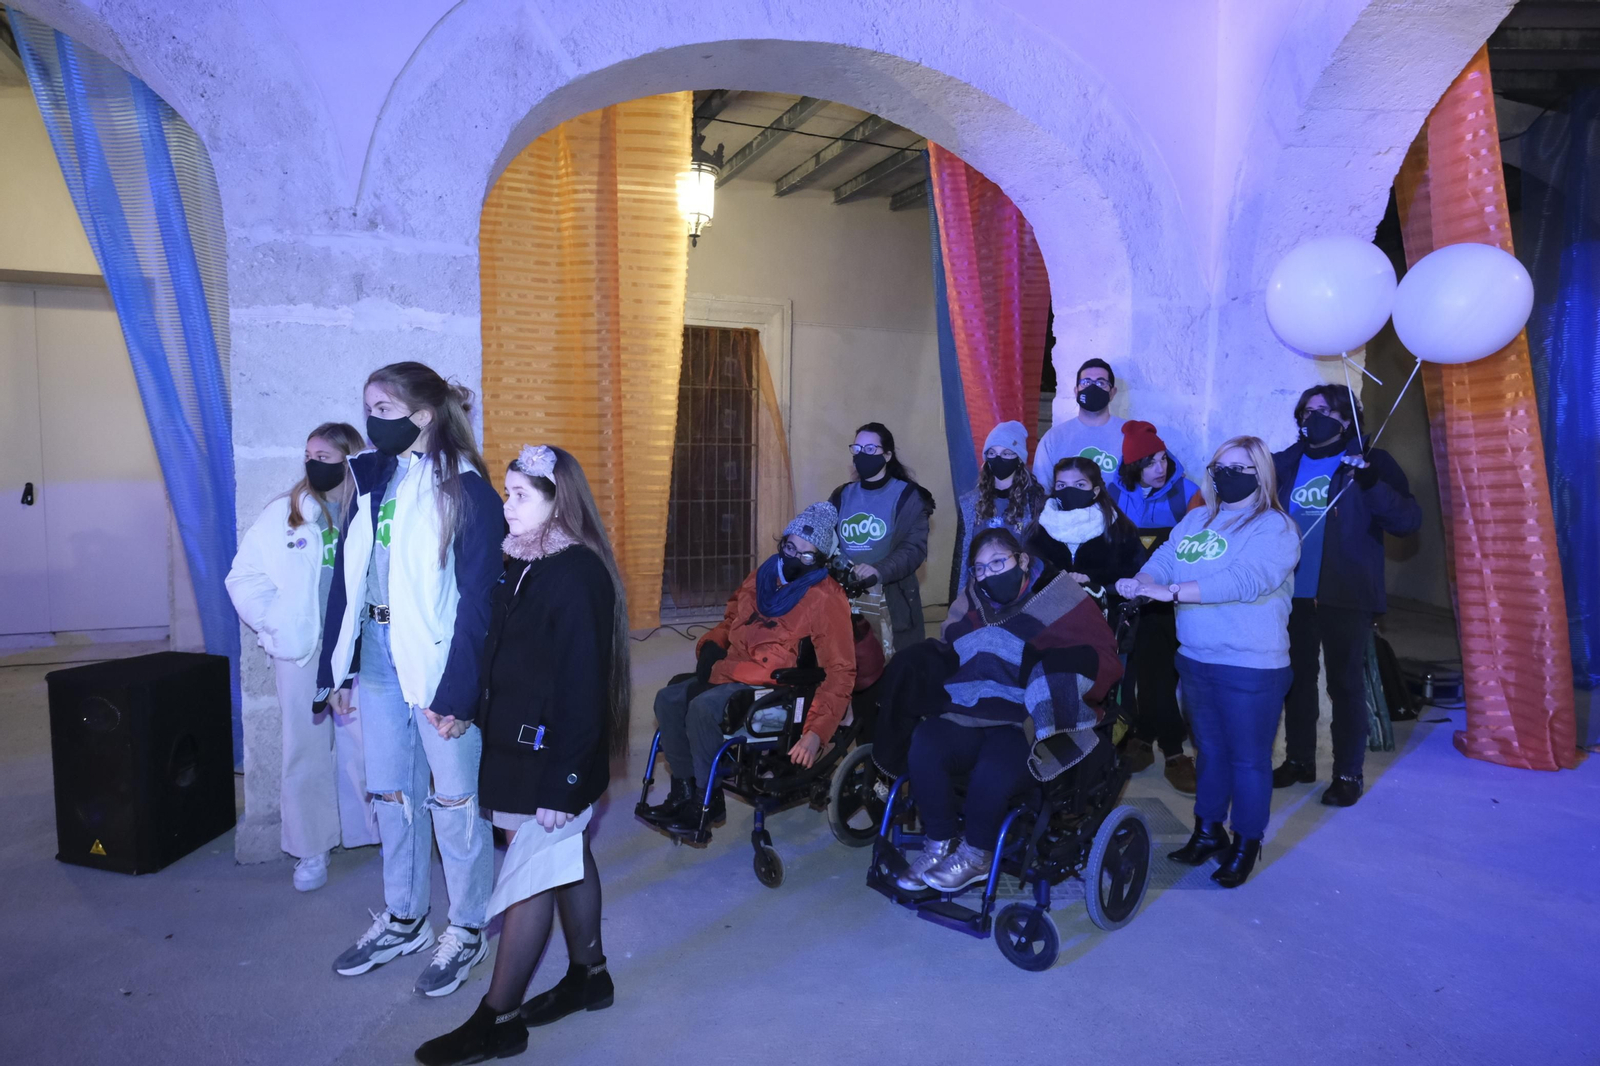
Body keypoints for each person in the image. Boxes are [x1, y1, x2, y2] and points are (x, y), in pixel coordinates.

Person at [415, 445, 630, 1066]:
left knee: (528, 880)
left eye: (520, 497)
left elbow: (585, 688)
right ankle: (590, 976)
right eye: (506, 493)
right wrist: (461, 704)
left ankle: (498, 1018)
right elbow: (498, 649)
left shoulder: (576, 572)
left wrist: (565, 787)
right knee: (567, 858)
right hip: (513, 747)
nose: (506, 507)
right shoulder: (520, 560)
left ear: (558, 500)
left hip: (553, 761)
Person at [317, 361, 504, 997]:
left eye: (384, 410)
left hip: (436, 661)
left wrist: (461, 692)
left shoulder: (468, 489)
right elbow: (346, 579)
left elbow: (481, 600)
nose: (371, 422)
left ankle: (469, 926)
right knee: (391, 793)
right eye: (367, 407)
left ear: (423, 417)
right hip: (373, 650)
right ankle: (404, 917)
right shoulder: (370, 476)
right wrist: (334, 666)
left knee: (453, 801)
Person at [1116, 436, 1299, 889]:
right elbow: (1166, 559)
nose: (1224, 473)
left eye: (1238, 467)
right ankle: (1208, 829)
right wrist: (1143, 580)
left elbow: (1244, 581)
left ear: (1262, 475)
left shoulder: (1274, 528)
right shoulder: (1198, 518)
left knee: (1250, 761)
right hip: (1196, 659)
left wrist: (1171, 593)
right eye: (1219, 465)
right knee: (1210, 753)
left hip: (1251, 666)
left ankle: (1246, 841)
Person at [895, 527, 1122, 892]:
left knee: (994, 768)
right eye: (981, 569)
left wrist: (1031, 661)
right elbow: (954, 641)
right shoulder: (973, 596)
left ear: (1022, 560)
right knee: (926, 742)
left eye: (999, 562)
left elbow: (1101, 656)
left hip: (1025, 713)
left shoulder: (1059, 595)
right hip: (976, 702)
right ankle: (939, 843)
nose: (989, 575)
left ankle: (977, 854)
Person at [226, 421, 378, 892]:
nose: (313, 464)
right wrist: (277, 623)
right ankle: (311, 848)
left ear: (349, 460)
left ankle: (366, 834)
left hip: (358, 648)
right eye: (308, 455)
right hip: (301, 651)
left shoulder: (370, 512)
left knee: (365, 746)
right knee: (305, 751)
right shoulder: (284, 515)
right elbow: (243, 577)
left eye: (326, 457)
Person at [645, 502, 857, 837]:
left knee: (703, 708)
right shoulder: (765, 573)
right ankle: (683, 793)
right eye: (790, 547)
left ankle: (706, 800)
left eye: (807, 554)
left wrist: (816, 732)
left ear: (821, 560)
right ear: (782, 542)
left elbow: (841, 670)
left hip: (775, 686)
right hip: (735, 668)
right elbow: (733, 618)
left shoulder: (826, 597)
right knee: (668, 699)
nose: (794, 557)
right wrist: (712, 644)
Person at [1272, 385, 1420, 807]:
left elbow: (1407, 520)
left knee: (1345, 685)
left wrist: (1372, 484)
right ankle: (1299, 761)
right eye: (1307, 410)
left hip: (1345, 592)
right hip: (1291, 592)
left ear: (1346, 419)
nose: (1313, 416)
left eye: (1325, 410)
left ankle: (1347, 773)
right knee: (1296, 682)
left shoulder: (1371, 463)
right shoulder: (1284, 462)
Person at [1104, 420, 1203, 792]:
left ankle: (1163, 746)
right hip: (1131, 600)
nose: (1160, 467)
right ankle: (1155, 744)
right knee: (1144, 673)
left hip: (1174, 600)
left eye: (1162, 458)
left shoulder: (1189, 495)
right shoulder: (1112, 494)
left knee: (1160, 673)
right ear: (1132, 467)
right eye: (1149, 462)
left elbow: (1197, 551)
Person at [829, 422, 936, 650]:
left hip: (892, 599)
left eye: (870, 449)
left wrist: (878, 569)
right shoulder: (842, 494)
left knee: (894, 674)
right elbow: (827, 542)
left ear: (887, 455)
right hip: (846, 599)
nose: (862, 455)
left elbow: (913, 549)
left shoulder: (909, 496)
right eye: (857, 449)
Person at [1026, 457, 1147, 603]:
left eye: (1080, 485)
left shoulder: (1120, 529)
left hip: (1106, 615)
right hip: (1050, 614)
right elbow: (1030, 572)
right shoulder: (1039, 528)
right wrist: (1057, 578)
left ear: (1095, 491)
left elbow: (1134, 569)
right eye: (1062, 485)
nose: (1070, 491)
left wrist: (1092, 577)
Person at [951, 420, 1046, 598]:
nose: (998, 458)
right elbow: (962, 559)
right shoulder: (970, 503)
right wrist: (958, 601)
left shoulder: (1036, 503)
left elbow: (1041, 557)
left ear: (1019, 458)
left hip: (1023, 593)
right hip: (980, 591)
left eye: (1007, 453)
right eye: (992, 453)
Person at [1032, 358, 1126, 487]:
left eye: (1101, 383)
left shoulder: (1129, 434)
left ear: (1112, 393)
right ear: (1076, 391)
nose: (1093, 387)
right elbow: (1041, 490)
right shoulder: (1054, 438)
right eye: (1086, 382)